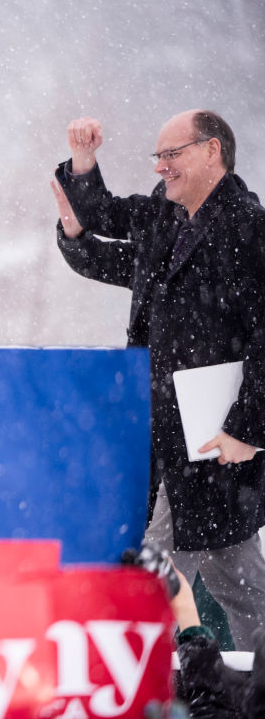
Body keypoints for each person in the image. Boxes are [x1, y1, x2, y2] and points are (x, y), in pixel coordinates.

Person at [50, 110, 265, 650]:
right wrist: (82, 171)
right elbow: (104, 228)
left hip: (216, 435)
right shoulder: (164, 219)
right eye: (158, 157)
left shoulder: (248, 227)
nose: (162, 166)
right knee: (232, 574)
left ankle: (121, 674)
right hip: (165, 429)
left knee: (157, 569)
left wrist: (247, 429)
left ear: (212, 150)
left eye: (173, 154)